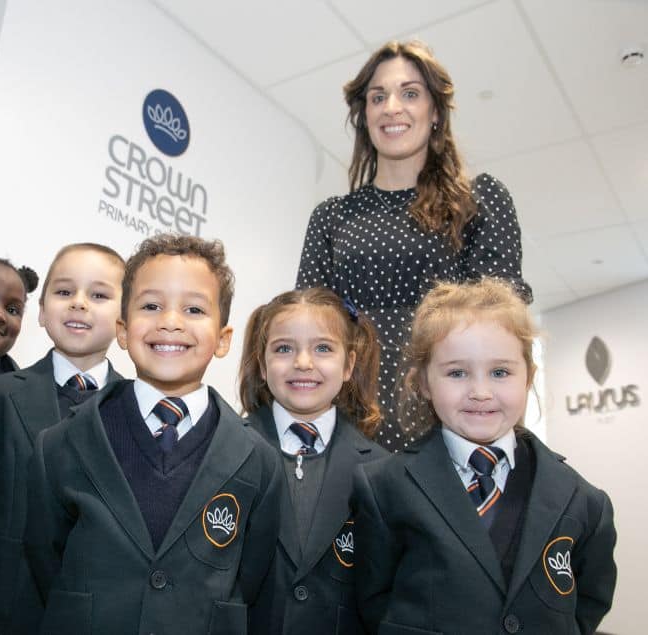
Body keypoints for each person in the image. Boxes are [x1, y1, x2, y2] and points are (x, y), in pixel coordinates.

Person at [25, 234, 281, 635]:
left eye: (194, 309)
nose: (171, 321)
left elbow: (251, 578)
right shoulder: (60, 443)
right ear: (123, 331)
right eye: (151, 306)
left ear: (223, 339)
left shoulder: (259, 460)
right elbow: (46, 560)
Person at [296, 40, 531, 452]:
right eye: (377, 96)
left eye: (410, 93)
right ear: (364, 114)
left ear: (435, 111)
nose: (392, 107)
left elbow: (503, 322)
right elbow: (307, 328)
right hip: (347, 421)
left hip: (448, 421)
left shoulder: (479, 201)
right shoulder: (331, 217)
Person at [351, 278, 617, 634]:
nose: (480, 391)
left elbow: (587, 603)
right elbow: (373, 600)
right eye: (457, 373)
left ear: (528, 377)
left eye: (500, 372)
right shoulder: (382, 488)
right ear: (424, 383)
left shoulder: (585, 501)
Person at [0, 243, 125, 634]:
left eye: (99, 295)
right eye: (64, 291)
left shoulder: (135, 411)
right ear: (41, 312)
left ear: (125, 321)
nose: (79, 304)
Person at [240, 287, 387, 634]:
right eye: (283, 349)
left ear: (348, 364)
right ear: (262, 364)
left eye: (323, 348)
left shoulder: (381, 470)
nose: (303, 362)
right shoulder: (228, 448)